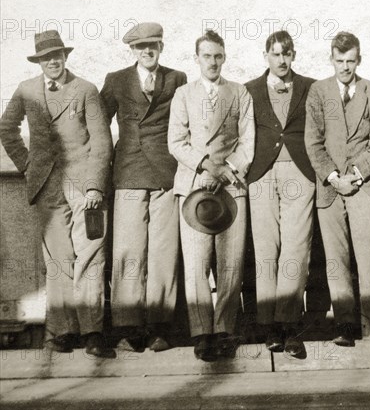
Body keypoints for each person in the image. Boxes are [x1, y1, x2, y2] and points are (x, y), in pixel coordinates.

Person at [0, 30, 114, 357]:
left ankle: (92, 332)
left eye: (57, 55)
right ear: (39, 61)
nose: (52, 61)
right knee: (58, 261)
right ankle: (64, 332)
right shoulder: (26, 90)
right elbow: (6, 129)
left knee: (91, 254)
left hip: (84, 187)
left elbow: (101, 141)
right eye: (46, 57)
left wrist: (94, 186)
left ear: (65, 57)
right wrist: (28, 165)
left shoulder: (86, 90)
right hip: (46, 188)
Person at [100, 22, 187, 352]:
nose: (147, 51)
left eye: (152, 45)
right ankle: (126, 327)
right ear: (132, 51)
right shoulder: (117, 80)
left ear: (161, 47)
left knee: (163, 253)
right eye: (140, 47)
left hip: (166, 175)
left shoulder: (177, 78)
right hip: (129, 174)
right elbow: (97, 123)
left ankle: (160, 326)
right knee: (128, 252)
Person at [305, 31, 370, 348]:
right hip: (331, 189)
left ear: (359, 60)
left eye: (351, 61)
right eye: (339, 60)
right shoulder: (318, 92)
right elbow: (313, 143)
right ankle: (344, 322)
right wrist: (333, 176)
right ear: (331, 59)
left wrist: (356, 174)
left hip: (364, 185)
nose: (345, 67)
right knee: (336, 259)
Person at [168, 30, 255, 360]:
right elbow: (176, 142)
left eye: (218, 56)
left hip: (231, 187)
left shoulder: (239, 93)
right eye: (207, 56)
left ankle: (225, 329)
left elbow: (248, 142)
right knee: (196, 265)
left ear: (224, 57)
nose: (213, 62)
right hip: (194, 186)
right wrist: (206, 168)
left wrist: (227, 170)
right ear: (197, 59)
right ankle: (202, 332)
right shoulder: (183, 95)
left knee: (231, 265)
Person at [245, 31, 316, 355]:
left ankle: (289, 326)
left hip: (299, 173)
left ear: (294, 54)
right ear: (266, 56)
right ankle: (268, 325)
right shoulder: (250, 90)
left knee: (296, 249)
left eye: (286, 53)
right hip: (261, 175)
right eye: (275, 54)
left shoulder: (310, 87)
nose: (282, 60)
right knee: (265, 249)